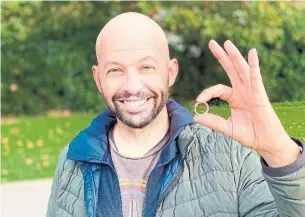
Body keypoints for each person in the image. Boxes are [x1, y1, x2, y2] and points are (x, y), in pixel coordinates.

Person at [46, 12, 305, 217]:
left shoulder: (232, 155)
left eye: (147, 67)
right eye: (115, 70)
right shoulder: (71, 161)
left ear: (170, 72)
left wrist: (280, 152)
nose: (133, 86)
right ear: (98, 78)